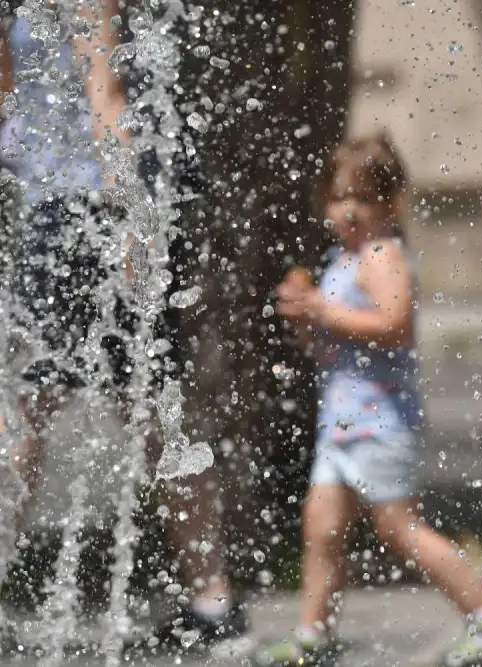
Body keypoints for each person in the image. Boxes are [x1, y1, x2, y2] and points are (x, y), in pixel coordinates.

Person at [0, 2, 247, 656]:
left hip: (93, 215)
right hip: (61, 212)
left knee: (50, 409)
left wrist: (130, 214)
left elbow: (105, 91)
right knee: (129, 411)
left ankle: (213, 595)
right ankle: (213, 595)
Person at [253, 134, 482, 667]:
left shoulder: (381, 255)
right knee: (322, 528)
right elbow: (337, 340)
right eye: (337, 197)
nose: (347, 210)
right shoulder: (344, 259)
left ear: (392, 204)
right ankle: (314, 633)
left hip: (380, 421)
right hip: (341, 423)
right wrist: (308, 320)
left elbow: (396, 326)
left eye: (363, 198)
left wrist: (323, 313)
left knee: (399, 529)